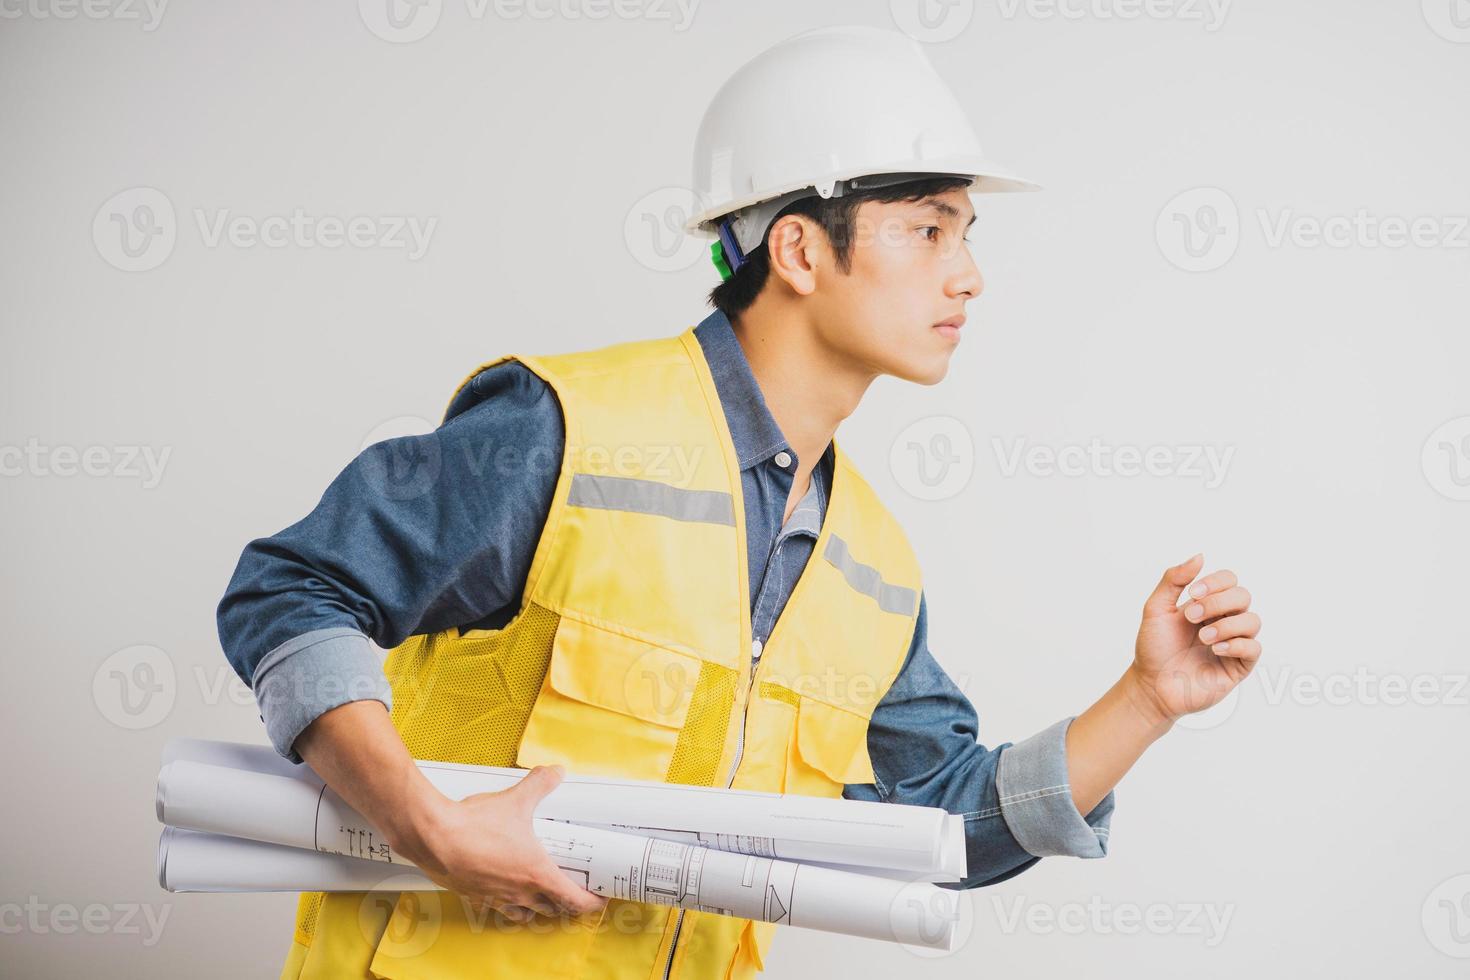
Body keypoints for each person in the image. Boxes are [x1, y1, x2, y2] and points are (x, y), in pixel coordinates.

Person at [216, 24, 1263, 980]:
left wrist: (1147, 697)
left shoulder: (870, 560)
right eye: (929, 231)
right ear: (801, 248)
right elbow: (292, 588)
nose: (971, 275)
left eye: (967, 233)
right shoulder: (562, 429)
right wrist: (427, 825)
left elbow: (941, 829)